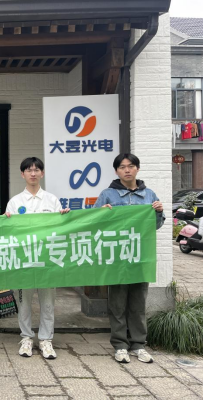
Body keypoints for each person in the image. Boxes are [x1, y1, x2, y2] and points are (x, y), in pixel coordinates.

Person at [94, 153, 165, 364]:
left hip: (140, 255)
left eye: (131, 166)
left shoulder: (149, 194)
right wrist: (100, 213)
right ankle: (120, 345)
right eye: (122, 167)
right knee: (117, 302)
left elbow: (155, 225)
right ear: (116, 171)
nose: (127, 170)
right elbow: (94, 223)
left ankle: (138, 345)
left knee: (138, 302)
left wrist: (158, 212)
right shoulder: (107, 195)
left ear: (137, 169)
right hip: (117, 256)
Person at [5, 157, 70, 360]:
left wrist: (65, 217)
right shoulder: (15, 202)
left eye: (36, 170)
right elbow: (9, 232)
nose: (33, 173)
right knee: (24, 302)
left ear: (42, 173)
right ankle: (26, 337)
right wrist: (6, 222)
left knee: (48, 302)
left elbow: (61, 229)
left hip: (47, 260)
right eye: (29, 170)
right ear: (22, 174)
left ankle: (45, 339)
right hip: (24, 260)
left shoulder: (52, 200)